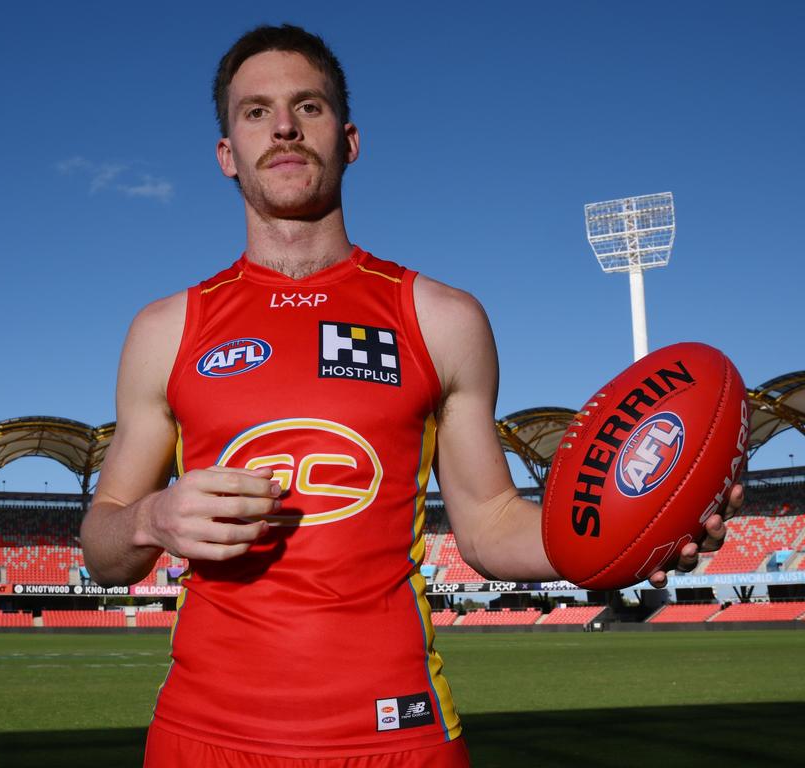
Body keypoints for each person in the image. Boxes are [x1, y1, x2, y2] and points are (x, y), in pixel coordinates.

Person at [80, 24, 741, 768]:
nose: (286, 126)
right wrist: (150, 517)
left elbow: (490, 527)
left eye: (309, 106)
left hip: (399, 734)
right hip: (204, 737)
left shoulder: (440, 317)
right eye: (256, 111)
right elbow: (103, 547)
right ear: (227, 154)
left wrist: (629, 532)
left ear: (349, 139)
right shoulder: (166, 329)